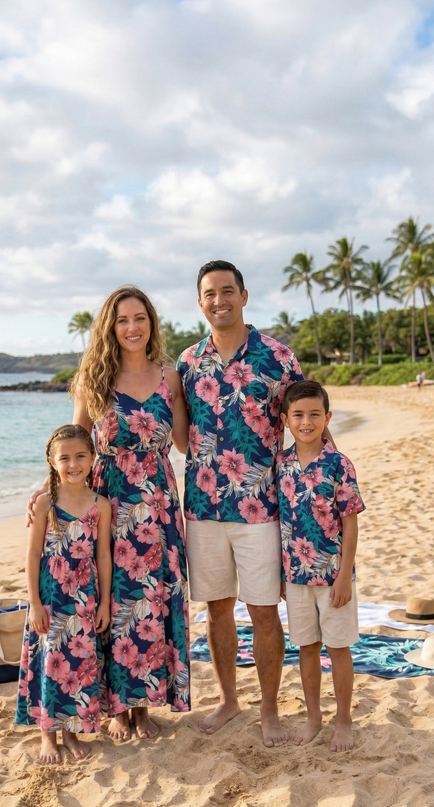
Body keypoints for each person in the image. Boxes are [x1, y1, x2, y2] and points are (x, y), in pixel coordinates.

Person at [177, 259, 306, 745]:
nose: (219, 300)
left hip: (261, 508)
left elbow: (306, 421)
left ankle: (269, 709)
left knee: (265, 613)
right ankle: (230, 699)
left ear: (244, 296)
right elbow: (178, 433)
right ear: (200, 303)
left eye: (227, 291)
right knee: (216, 610)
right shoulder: (188, 363)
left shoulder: (278, 357)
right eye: (210, 293)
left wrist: (327, 476)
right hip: (204, 508)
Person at [73, 286, 191, 741]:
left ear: (151, 323)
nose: (132, 327)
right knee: (117, 599)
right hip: (111, 501)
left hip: (159, 503)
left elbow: (185, 442)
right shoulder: (94, 378)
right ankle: (118, 707)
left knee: (155, 600)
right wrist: (48, 492)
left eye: (140, 318)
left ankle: (145, 705)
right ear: (110, 326)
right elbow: (76, 443)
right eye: (122, 320)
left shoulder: (170, 377)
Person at [276, 380, 365, 752]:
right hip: (295, 577)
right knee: (307, 647)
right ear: (285, 420)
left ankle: (343, 719)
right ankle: (314, 717)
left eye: (315, 414)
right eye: (298, 415)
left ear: (327, 418)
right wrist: (281, 576)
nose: (307, 421)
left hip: (333, 577)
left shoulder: (338, 464)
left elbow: (350, 522)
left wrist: (345, 575)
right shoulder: (280, 464)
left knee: (338, 647)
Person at [16, 424, 112, 764]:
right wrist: (35, 603)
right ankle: (47, 734)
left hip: (85, 594)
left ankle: (70, 731)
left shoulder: (100, 504)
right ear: (51, 461)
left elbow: (103, 555)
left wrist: (103, 602)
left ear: (93, 458)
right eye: (65, 458)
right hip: (51, 594)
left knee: (78, 664)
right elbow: (31, 555)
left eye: (81, 456)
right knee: (49, 661)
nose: (74, 464)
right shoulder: (45, 503)